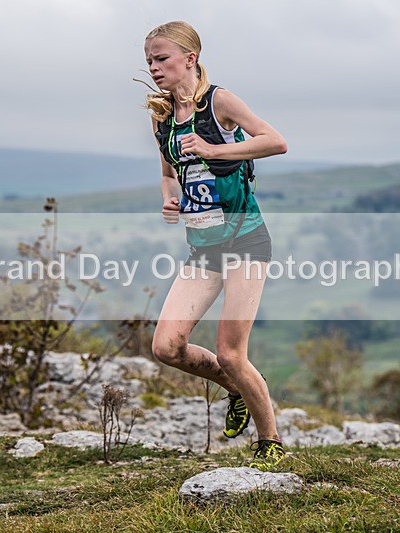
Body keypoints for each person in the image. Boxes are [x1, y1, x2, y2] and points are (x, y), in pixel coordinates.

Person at [141, 21, 288, 471]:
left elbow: (275, 142)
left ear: (190, 58)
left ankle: (270, 444)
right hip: (204, 248)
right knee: (166, 346)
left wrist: (213, 149)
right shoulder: (161, 115)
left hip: (245, 239)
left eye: (161, 58)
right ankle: (233, 389)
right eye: (148, 61)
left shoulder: (218, 102)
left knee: (230, 351)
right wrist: (169, 198)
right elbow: (169, 172)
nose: (153, 68)